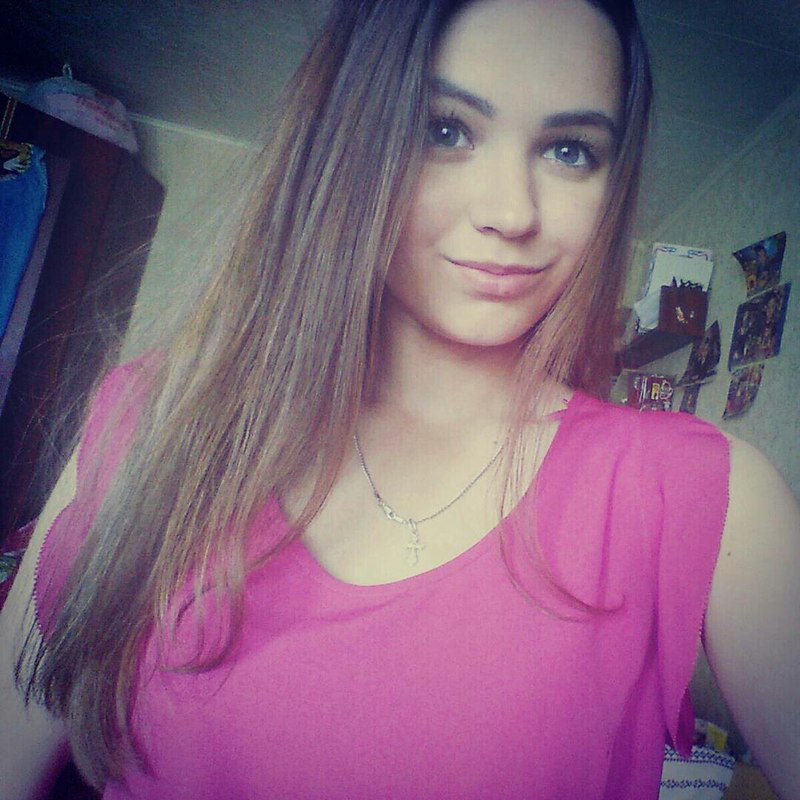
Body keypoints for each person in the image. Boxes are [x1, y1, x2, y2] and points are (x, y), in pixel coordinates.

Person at [1, 1, 799, 798]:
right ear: (350, 137)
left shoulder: (702, 494)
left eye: (569, 151)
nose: (511, 213)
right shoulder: (156, 422)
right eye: (445, 130)